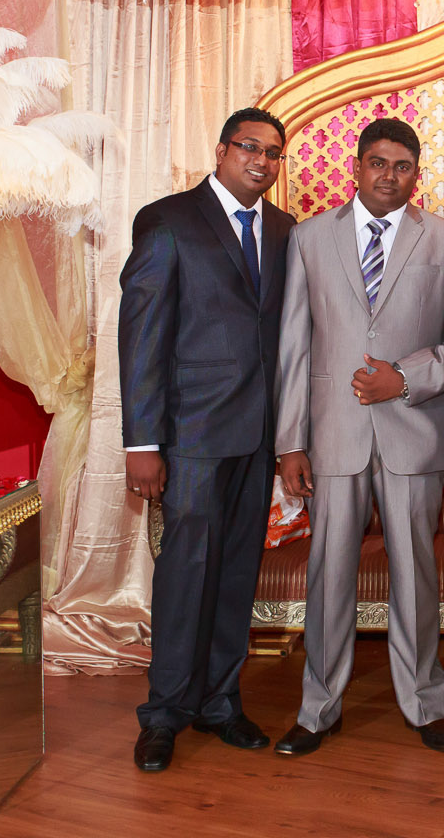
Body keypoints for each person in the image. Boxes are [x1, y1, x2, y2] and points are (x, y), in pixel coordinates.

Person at [274, 118, 444, 756]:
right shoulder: (310, 238)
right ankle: (317, 710)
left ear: (415, 173)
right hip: (332, 436)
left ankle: (425, 704)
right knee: (328, 573)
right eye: (377, 163)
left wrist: (405, 378)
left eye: (401, 166)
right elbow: (293, 344)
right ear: (357, 167)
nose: (388, 175)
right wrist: (291, 441)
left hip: (414, 434)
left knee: (415, 575)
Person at [118, 107, 296, 772]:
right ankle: (163, 714)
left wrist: (288, 440)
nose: (262, 161)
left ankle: (221, 704)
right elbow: (142, 337)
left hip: (256, 438)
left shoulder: (283, 231)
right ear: (221, 149)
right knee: (186, 576)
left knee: (233, 577)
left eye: (274, 152)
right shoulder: (168, 221)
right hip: (189, 435)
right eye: (250, 147)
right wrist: (142, 442)